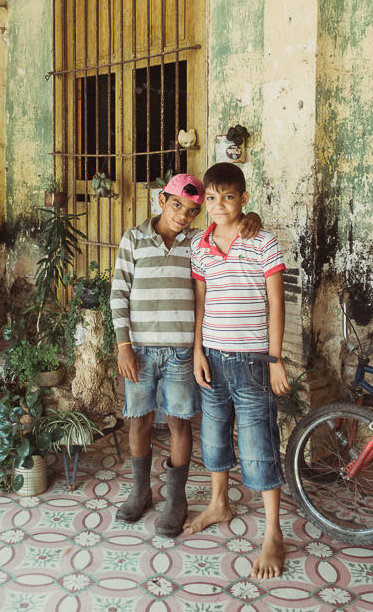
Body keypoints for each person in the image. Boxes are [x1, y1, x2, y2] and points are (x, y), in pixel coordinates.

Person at [111, 173, 260, 537]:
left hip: (180, 352)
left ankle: (175, 499)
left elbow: (231, 229)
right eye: (178, 205)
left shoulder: (198, 243)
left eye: (194, 210)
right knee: (139, 420)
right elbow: (119, 294)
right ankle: (140, 490)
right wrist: (123, 345)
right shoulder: (133, 239)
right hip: (140, 351)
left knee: (179, 422)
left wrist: (251, 219)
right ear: (162, 201)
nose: (184, 215)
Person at [184, 162, 289, 580]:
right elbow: (201, 303)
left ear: (244, 199)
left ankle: (274, 533)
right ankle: (219, 502)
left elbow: (277, 303)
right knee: (212, 435)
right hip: (212, 355)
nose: (218, 206)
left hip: (252, 362)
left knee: (259, 442)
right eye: (211, 198)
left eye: (228, 197)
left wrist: (276, 359)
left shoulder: (263, 242)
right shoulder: (199, 246)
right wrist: (197, 351)